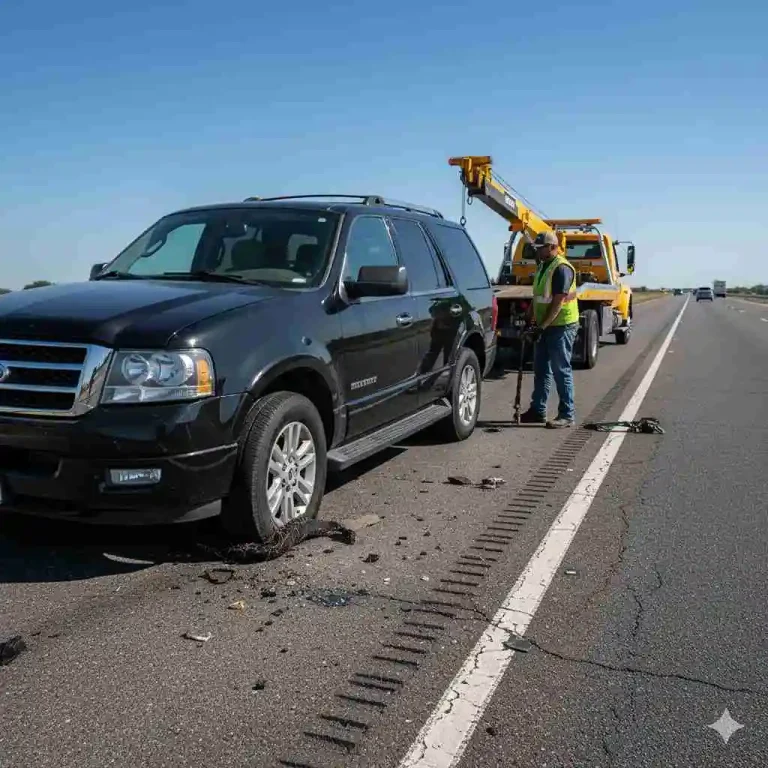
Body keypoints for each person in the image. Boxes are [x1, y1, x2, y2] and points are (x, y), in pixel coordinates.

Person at [519, 231, 579, 428]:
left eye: (541, 248)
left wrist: (541, 327)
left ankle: (567, 415)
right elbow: (538, 297)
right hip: (545, 325)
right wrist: (529, 319)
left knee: (561, 370)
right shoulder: (543, 266)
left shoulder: (561, 269)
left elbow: (557, 303)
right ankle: (538, 410)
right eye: (536, 248)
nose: (538, 251)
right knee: (541, 369)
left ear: (553, 247)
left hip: (561, 326)